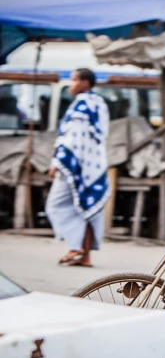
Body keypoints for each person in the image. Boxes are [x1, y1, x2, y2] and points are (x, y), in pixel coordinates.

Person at [46, 68, 110, 267]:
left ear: (84, 82)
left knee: (56, 205)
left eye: (73, 80)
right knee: (88, 209)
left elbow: (74, 138)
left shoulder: (82, 105)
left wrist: (58, 161)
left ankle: (75, 247)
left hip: (75, 166)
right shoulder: (99, 103)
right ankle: (85, 257)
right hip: (95, 166)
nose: (70, 84)